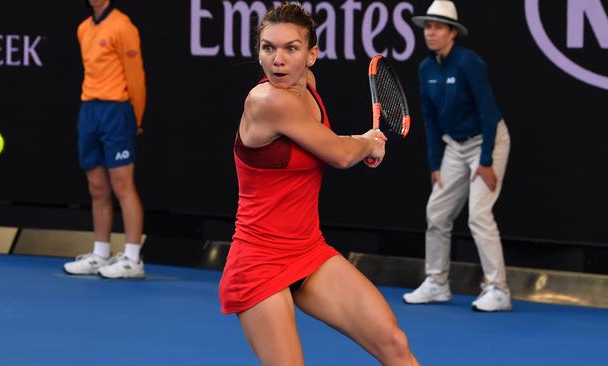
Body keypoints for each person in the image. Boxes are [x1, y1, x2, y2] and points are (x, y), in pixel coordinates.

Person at [218, 3, 420, 365]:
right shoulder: (266, 101)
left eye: (291, 48)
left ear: (312, 55)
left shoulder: (306, 86)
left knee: (394, 342)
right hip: (258, 260)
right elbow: (340, 154)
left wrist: (360, 142)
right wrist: (366, 144)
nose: (278, 59)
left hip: (308, 251)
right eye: (268, 48)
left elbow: (328, 143)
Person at [402, 0, 512, 312]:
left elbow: (488, 114)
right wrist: (435, 164)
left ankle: (498, 289)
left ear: (452, 33)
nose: (430, 33)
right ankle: (437, 282)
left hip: (487, 142)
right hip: (454, 146)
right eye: (428, 27)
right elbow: (431, 120)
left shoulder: (469, 63)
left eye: (438, 27)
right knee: (436, 213)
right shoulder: (426, 69)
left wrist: (487, 161)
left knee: (479, 214)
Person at [63, 0, 146, 279]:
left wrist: (136, 116)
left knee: (122, 185)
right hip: (89, 110)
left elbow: (136, 77)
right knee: (97, 187)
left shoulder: (123, 26)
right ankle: (100, 253)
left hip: (117, 111)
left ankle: (132, 257)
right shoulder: (83, 29)